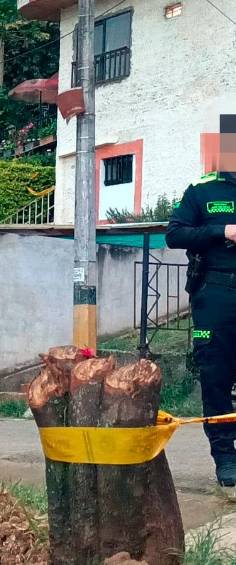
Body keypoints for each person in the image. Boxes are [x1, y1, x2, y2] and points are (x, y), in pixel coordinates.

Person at [167, 125, 236, 486]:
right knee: (215, 375)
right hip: (215, 298)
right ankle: (226, 459)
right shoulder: (203, 191)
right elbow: (174, 233)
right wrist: (221, 231)